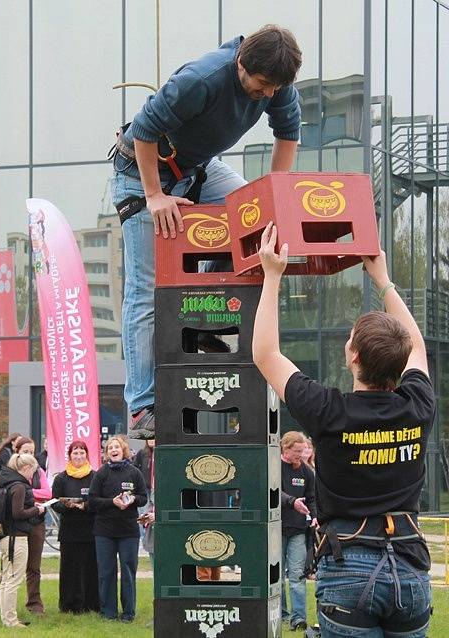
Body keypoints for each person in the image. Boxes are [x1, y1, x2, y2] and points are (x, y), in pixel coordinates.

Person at [111, 24, 302, 438]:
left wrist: (274, 199)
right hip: (143, 171)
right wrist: (155, 196)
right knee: (147, 288)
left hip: (199, 169)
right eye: (262, 85)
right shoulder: (201, 79)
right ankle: (143, 406)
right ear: (240, 65)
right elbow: (143, 131)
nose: (268, 94)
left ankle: (197, 321)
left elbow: (288, 134)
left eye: (275, 88)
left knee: (251, 221)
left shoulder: (277, 81)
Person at [252, 222, 435, 637]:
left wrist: (272, 275)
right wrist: (384, 282)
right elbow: (418, 347)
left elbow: (265, 354)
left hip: (348, 563)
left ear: (351, 356)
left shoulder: (329, 410)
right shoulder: (417, 405)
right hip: (408, 563)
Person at [88, 435, 147, 622]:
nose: (113, 450)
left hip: (128, 530)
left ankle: (128, 613)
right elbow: (92, 501)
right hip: (104, 531)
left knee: (128, 571)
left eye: (117, 447)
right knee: (106, 572)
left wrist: (132, 500)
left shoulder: (134, 472)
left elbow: (143, 497)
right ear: (107, 453)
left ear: (123, 450)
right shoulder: (101, 473)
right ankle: (108, 612)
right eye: (110, 448)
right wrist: (112, 502)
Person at [0, 453, 45, 628]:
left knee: (6, 578)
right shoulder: (19, 487)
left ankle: (6, 618)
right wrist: (36, 510)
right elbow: (18, 514)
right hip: (16, 538)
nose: (32, 476)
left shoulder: (7, 482)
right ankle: (11, 620)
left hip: (6, 536)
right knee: (14, 580)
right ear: (25, 469)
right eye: (32, 472)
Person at [51, 440, 99, 613]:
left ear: (87, 454)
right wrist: (68, 505)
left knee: (90, 568)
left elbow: (98, 501)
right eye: (75, 453)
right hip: (69, 532)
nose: (78, 456)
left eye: (81, 453)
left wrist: (85, 505)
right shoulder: (61, 478)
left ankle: (91, 605)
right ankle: (69, 605)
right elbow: (54, 502)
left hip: (91, 531)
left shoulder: (95, 476)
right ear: (69, 456)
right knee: (70, 570)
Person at [280, 431, 316, 630]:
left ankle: (299, 618)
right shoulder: (273, 465)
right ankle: (280, 614)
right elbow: (272, 489)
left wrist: (315, 515)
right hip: (276, 529)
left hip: (298, 530)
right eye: (297, 451)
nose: (301, 455)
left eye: (303, 451)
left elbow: (312, 498)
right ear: (285, 448)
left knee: (297, 575)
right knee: (275, 576)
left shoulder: (305, 471)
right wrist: (292, 502)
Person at [14, 436, 52, 614]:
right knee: (13, 566)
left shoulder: (39, 472)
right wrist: (31, 495)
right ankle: (8, 604)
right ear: (17, 453)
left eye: (31, 451)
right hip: (16, 524)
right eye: (25, 451)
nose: (30, 454)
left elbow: (47, 492)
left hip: (36, 523)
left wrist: (26, 492)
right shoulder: (10, 472)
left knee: (34, 567)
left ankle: (34, 603)